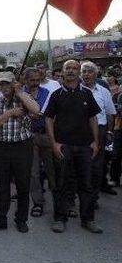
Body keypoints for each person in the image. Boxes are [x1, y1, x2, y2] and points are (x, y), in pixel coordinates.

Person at [45, 60, 102, 234]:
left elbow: (93, 118)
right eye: (67, 68)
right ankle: (60, 218)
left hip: (85, 146)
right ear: (62, 72)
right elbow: (48, 119)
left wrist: (95, 142)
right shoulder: (56, 95)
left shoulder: (86, 94)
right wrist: (53, 143)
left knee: (86, 184)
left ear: (79, 72)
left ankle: (88, 219)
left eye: (74, 68)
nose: (71, 71)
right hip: (63, 146)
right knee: (61, 184)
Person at [0, 72, 39, 233]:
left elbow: (36, 111)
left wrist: (21, 93)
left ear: (14, 84)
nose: (4, 87)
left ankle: (21, 219)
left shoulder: (24, 98)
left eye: (7, 83)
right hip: (2, 146)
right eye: (1, 84)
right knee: (1, 185)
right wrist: (9, 113)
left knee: (23, 184)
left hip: (22, 146)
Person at [80, 61, 117, 200]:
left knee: (97, 164)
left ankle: (93, 196)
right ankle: (83, 194)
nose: (86, 74)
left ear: (96, 74)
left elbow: (110, 113)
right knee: (81, 164)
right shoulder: (76, 90)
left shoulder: (103, 91)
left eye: (90, 71)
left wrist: (109, 131)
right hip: (80, 131)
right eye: (84, 71)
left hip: (100, 131)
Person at [22, 67, 53, 218]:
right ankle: (37, 203)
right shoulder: (20, 93)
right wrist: (30, 112)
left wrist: (34, 112)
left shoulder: (46, 93)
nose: (35, 83)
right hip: (28, 136)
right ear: (26, 80)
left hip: (46, 135)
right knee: (33, 172)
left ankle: (59, 202)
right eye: (31, 80)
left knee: (51, 169)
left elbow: (46, 112)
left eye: (37, 80)